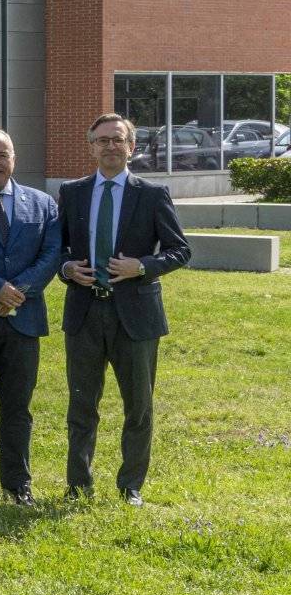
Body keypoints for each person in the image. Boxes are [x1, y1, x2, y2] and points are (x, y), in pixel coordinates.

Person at [57, 113, 192, 504]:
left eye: (118, 140)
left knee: (139, 406)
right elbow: (58, 249)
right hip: (84, 312)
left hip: (136, 315)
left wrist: (143, 267)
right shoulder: (73, 192)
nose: (110, 146)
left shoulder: (151, 194)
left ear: (131, 147)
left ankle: (130, 485)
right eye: (102, 140)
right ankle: (78, 484)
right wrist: (67, 269)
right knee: (81, 404)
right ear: (91, 146)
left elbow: (180, 249)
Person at [0, 128, 62, 505]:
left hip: (23, 320)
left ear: (14, 159)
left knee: (17, 407)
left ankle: (17, 483)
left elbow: (52, 254)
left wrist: (16, 291)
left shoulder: (42, 204)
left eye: (2, 154)